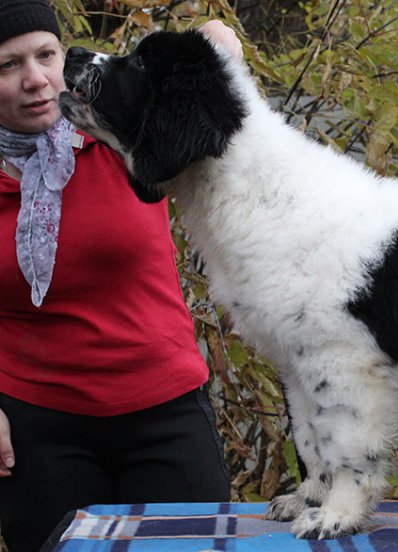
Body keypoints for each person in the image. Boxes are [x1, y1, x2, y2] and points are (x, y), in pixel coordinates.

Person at [0, 2, 243, 550]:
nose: (36, 79)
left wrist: (213, 37)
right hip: (38, 433)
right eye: (8, 66)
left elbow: (206, 57)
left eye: (46, 55)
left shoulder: (117, 129)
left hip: (166, 417)